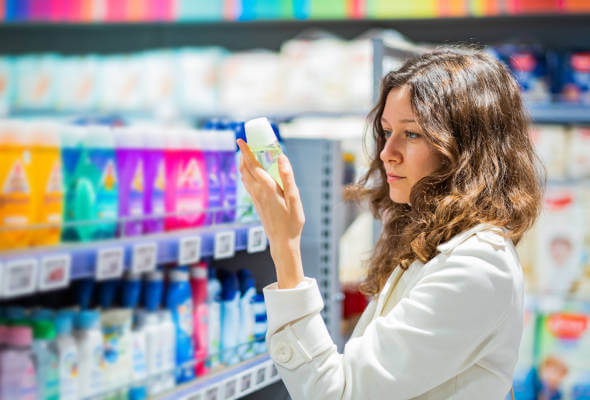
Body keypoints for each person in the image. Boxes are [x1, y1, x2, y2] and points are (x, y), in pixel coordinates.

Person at [236, 47, 545, 400]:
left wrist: (284, 244)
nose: (387, 152)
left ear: (466, 149)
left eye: (411, 134)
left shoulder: (477, 266)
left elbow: (336, 394)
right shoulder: (437, 245)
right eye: (386, 131)